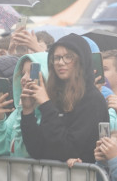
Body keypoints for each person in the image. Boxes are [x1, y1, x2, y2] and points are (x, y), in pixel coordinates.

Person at [19, 33, 107, 162]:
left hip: (81, 179)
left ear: (81, 60)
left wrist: (46, 105)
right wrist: (27, 112)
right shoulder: (55, 95)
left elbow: (68, 151)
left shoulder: (92, 99)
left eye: (68, 57)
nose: (60, 63)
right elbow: (37, 150)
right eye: (57, 58)